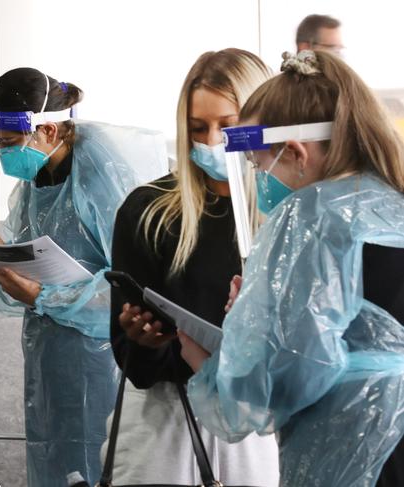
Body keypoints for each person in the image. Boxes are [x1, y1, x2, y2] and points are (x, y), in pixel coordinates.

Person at [180, 50, 404, 486]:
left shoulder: (312, 216)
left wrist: (213, 360)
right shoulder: (393, 201)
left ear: (297, 152)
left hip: (353, 445)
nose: (258, 177)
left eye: (258, 164)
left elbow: (288, 380)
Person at [0, 67, 167, 486]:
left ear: (48, 131)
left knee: (97, 461)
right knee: (53, 459)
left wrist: (43, 295)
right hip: (51, 357)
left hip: (103, 356)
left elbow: (131, 285)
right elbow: (44, 253)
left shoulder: (102, 176)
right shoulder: (40, 176)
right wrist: (2, 251)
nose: (3, 155)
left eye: (10, 143)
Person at [108, 48, 280, 485]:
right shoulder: (148, 212)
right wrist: (143, 340)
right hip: (165, 424)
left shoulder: (287, 214)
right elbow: (135, 365)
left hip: (258, 430)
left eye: (228, 125)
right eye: (197, 128)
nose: (211, 141)